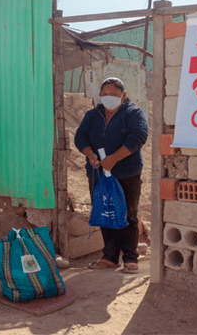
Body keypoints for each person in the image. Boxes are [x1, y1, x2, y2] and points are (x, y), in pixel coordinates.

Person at [74, 77, 149, 274]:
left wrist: (114, 158)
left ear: (123, 95)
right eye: (105, 94)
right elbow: (80, 137)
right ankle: (110, 257)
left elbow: (139, 135)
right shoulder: (92, 115)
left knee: (127, 214)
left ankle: (131, 258)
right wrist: (90, 154)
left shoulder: (132, 112)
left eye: (113, 95)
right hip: (98, 173)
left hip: (127, 173)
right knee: (105, 212)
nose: (108, 98)